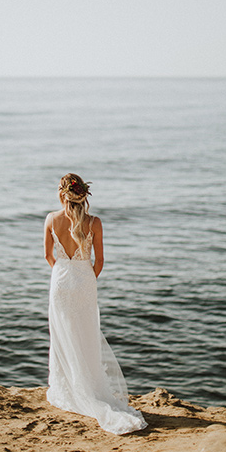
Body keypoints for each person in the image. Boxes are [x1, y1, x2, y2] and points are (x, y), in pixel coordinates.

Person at [44, 173, 147, 435]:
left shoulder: (51, 219)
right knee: (86, 334)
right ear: (83, 195)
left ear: (61, 194)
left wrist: (63, 274)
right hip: (84, 280)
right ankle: (90, 389)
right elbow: (99, 261)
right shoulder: (95, 222)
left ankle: (68, 388)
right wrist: (85, 279)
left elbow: (48, 255)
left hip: (60, 281)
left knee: (63, 334)